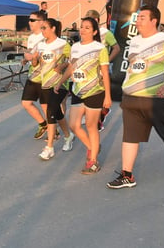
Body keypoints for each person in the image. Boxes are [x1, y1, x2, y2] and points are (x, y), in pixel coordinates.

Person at [107, 5, 164, 189]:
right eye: (138, 17)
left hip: (159, 100)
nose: (138, 20)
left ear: (154, 21)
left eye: (142, 17)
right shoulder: (134, 41)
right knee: (129, 137)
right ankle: (127, 174)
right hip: (132, 99)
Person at [55, 17, 111, 174]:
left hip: (95, 91)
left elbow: (105, 73)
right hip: (78, 91)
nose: (83, 30)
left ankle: (93, 161)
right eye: (82, 27)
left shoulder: (100, 48)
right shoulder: (75, 47)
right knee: (74, 125)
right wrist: (61, 82)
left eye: (87, 27)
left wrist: (108, 96)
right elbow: (71, 67)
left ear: (94, 31)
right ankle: (93, 147)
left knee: (92, 126)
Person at [34, 18, 74, 160]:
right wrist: (32, 58)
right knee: (56, 113)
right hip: (45, 83)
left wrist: (62, 66)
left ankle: (49, 147)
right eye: (41, 28)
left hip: (60, 83)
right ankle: (68, 136)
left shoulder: (63, 44)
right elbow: (36, 64)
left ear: (53, 29)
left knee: (50, 111)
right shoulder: (41, 45)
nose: (42, 31)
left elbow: (72, 62)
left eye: (44, 28)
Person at [85, 9, 120, 130]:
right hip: (89, 70)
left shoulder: (106, 33)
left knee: (99, 94)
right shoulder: (86, 33)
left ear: (96, 20)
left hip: (102, 70)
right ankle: (97, 114)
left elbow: (116, 48)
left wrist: (107, 60)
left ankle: (98, 119)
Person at [21, 11, 48, 139]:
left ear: (41, 22)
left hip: (45, 76)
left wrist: (32, 58)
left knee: (45, 105)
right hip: (33, 76)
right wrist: (26, 59)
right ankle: (43, 124)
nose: (29, 22)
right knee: (26, 103)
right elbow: (30, 53)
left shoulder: (46, 37)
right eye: (29, 20)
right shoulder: (31, 37)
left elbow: (46, 58)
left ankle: (55, 130)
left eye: (32, 20)